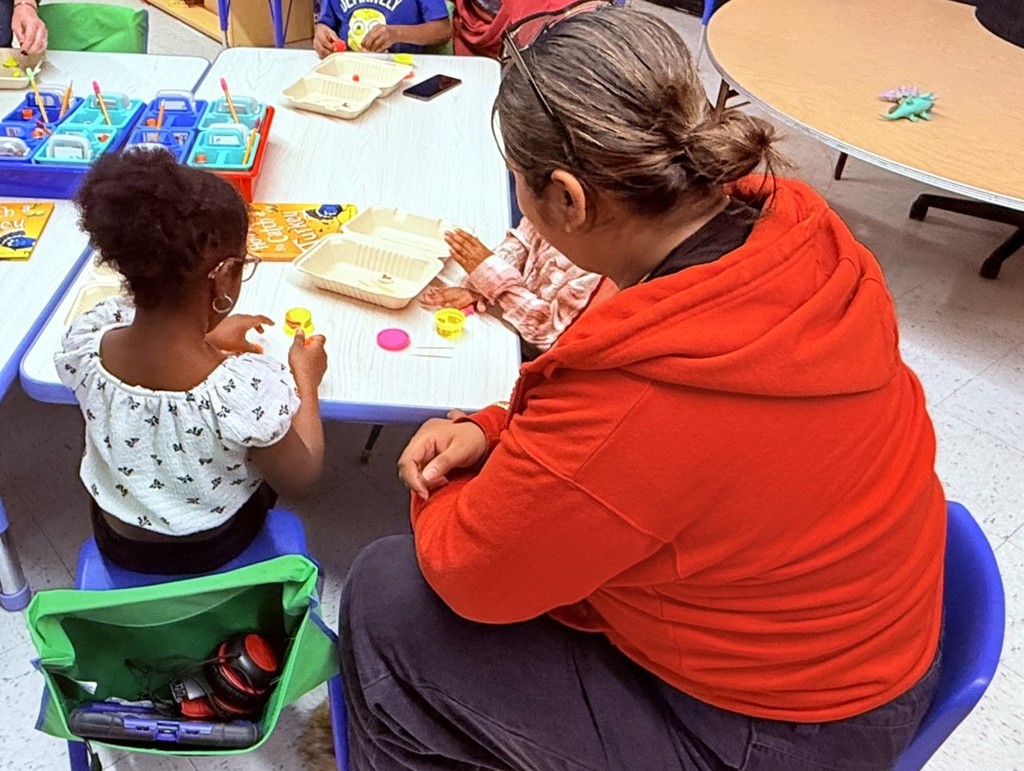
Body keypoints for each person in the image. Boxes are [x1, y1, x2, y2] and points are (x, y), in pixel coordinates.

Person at [338, 7, 945, 770]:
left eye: (519, 187)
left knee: (389, 590)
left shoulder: (636, 395)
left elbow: (472, 575)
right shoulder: (794, 238)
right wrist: (497, 425)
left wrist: (442, 485)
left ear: (567, 197)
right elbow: (633, 451)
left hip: (773, 731)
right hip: (868, 653)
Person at [56, 148, 328, 575]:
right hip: (215, 545)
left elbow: (157, 365)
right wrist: (306, 379)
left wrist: (209, 337)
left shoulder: (88, 341)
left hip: (119, 540)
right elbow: (303, 477)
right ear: (224, 275)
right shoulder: (243, 388)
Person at [419, 221, 604, 356]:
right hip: (513, 329)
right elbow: (523, 242)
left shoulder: (601, 272)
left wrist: (493, 279)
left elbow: (551, 336)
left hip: (536, 361)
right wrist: (478, 284)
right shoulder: (551, 207)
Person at [313, 0, 451, 56]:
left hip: (403, 70)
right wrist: (321, 32)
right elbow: (325, 24)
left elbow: (443, 30)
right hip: (350, 69)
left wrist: (396, 33)